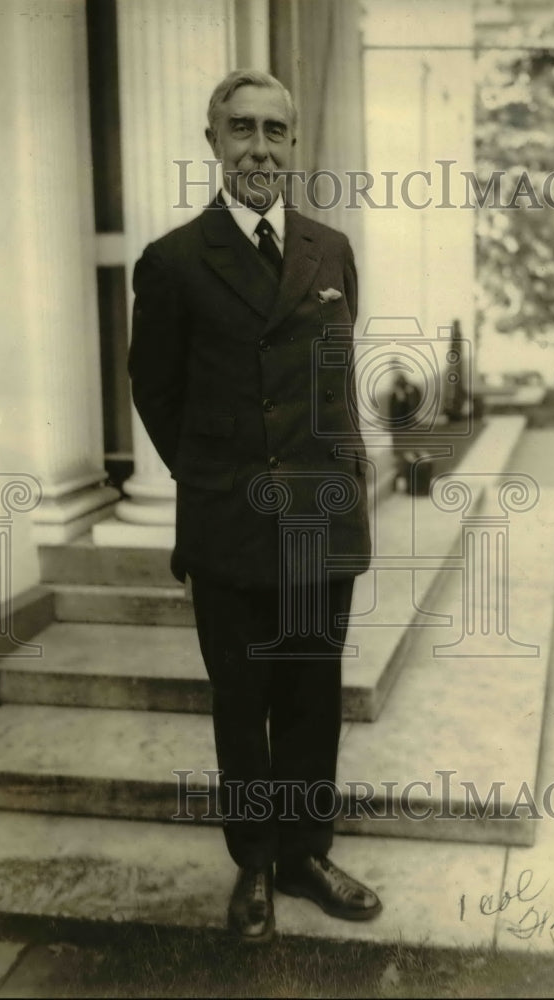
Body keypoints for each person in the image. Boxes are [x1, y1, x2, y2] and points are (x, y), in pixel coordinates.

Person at [128, 69, 381, 943]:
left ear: (294, 144)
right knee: (242, 701)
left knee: (313, 696)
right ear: (212, 142)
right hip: (231, 522)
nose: (259, 148)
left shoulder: (329, 249)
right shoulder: (172, 262)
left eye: (276, 131)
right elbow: (154, 392)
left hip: (319, 521)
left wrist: (344, 475)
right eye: (242, 129)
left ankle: (306, 855)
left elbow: (334, 381)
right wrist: (217, 479)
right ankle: (253, 867)